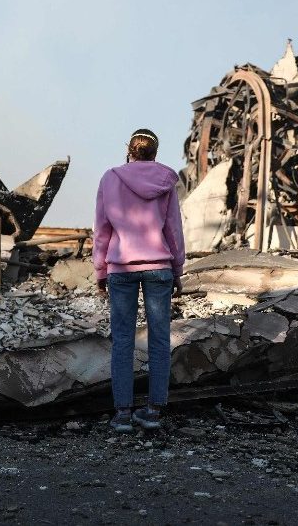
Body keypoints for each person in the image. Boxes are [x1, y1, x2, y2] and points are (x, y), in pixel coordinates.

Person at [93, 128, 185, 433]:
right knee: (159, 339)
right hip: (159, 268)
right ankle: (153, 411)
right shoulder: (165, 180)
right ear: (155, 154)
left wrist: (100, 269)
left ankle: (122, 414)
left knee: (122, 340)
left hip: (120, 268)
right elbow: (173, 229)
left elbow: (102, 229)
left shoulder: (110, 178)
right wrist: (178, 268)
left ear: (129, 150)